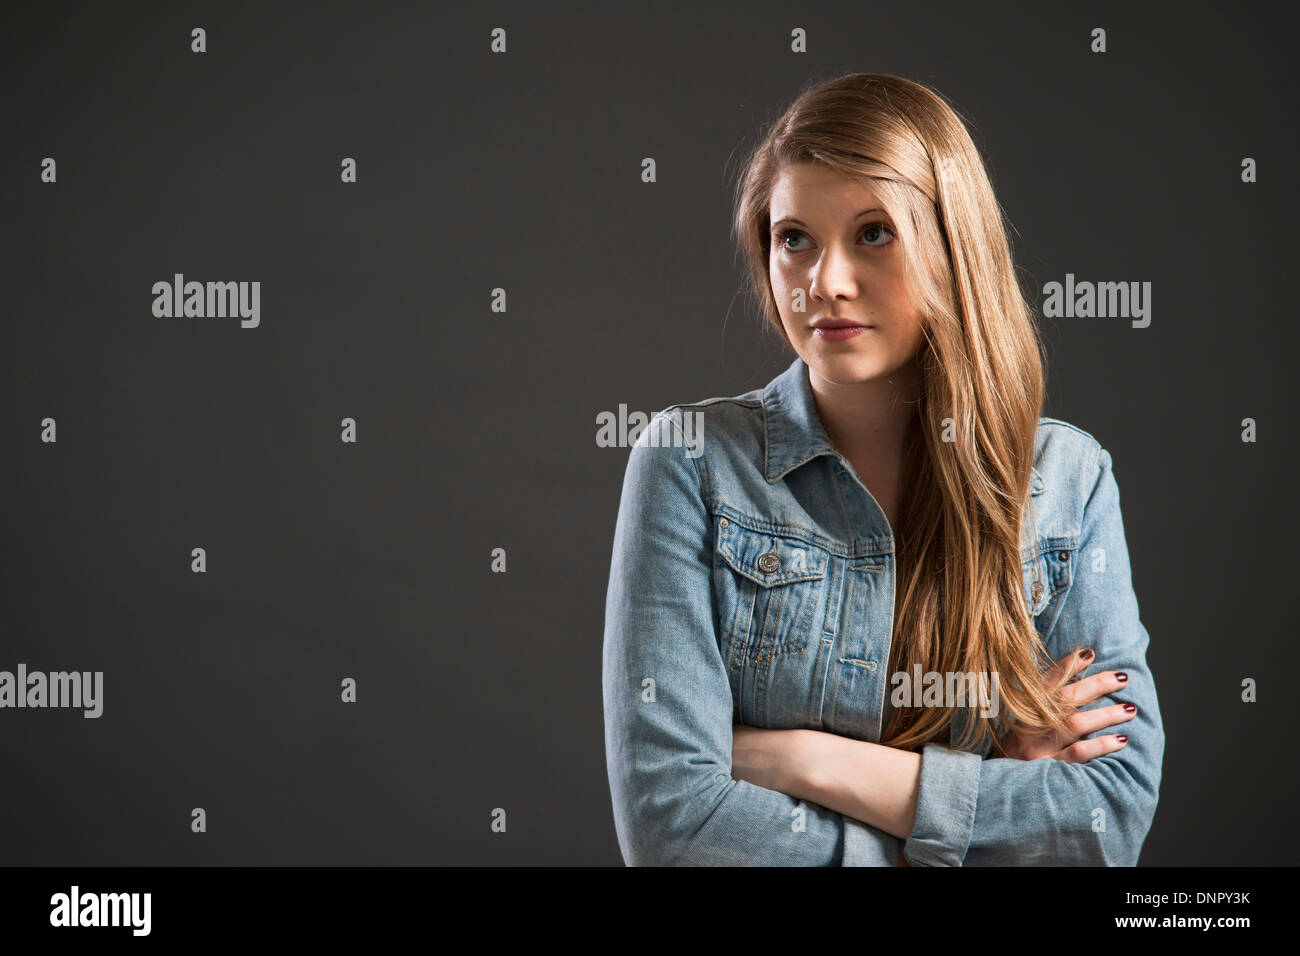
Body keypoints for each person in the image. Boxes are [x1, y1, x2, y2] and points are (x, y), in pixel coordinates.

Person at [601, 73, 1163, 866]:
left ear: (951, 245)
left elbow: (1106, 821)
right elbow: (675, 833)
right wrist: (982, 797)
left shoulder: (1065, 478)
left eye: (872, 233)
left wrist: (798, 759)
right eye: (794, 237)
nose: (824, 281)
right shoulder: (689, 463)